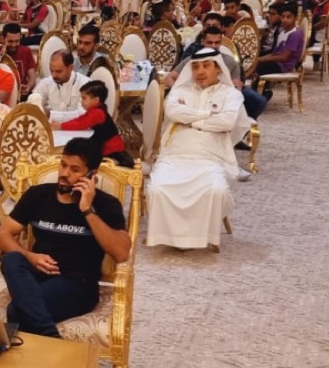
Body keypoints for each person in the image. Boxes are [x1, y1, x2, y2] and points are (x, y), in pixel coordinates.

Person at [0, 137, 130, 368]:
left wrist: (87, 210)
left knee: (17, 310)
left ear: (92, 175)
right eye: (63, 165)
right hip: (36, 274)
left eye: (75, 169)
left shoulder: (105, 205)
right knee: (12, 260)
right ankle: (55, 348)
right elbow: (2, 236)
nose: (65, 174)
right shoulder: (38, 195)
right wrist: (30, 256)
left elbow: (121, 252)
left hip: (77, 283)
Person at [146, 49, 249, 251]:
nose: (200, 71)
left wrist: (191, 121)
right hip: (175, 156)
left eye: (206, 66)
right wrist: (210, 114)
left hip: (211, 158)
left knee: (216, 190)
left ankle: (203, 237)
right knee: (157, 189)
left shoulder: (231, 94)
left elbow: (227, 121)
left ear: (218, 69)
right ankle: (167, 236)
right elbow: (173, 111)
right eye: (195, 67)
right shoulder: (180, 91)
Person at [165, 26, 266, 120]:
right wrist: (180, 92)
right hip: (195, 93)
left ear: (221, 42)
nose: (213, 46)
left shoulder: (229, 61)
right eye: (209, 42)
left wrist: (231, 100)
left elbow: (236, 85)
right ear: (202, 42)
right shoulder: (192, 60)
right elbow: (169, 78)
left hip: (222, 94)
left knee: (258, 101)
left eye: (217, 42)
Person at [51, 81, 133, 167]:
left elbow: (81, 124)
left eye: (84, 98)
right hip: (105, 144)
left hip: (110, 148)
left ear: (96, 100)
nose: (81, 101)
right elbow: (80, 119)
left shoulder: (97, 113)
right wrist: (61, 124)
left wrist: (61, 126)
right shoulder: (95, 110)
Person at [250, 3, 305, 88]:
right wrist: (257, 59)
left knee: (256, 68)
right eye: (283, 17)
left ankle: (258, 92)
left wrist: (260, 60)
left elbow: (283, 57)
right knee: (251, 64)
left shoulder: (295, 34)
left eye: (288, 17)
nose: (285, 20)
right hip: (276, 63)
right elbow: (274, 53)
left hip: (283, 66)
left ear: (295, 18)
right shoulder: (282, 32)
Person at [2, 23, 37, 95]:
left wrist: (28, 87)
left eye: (17, 41)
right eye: (10, 41)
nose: (14, 45)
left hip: (22, 93)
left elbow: (32, 77)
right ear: (3, 39)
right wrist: (1, 56)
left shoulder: (26, 51)